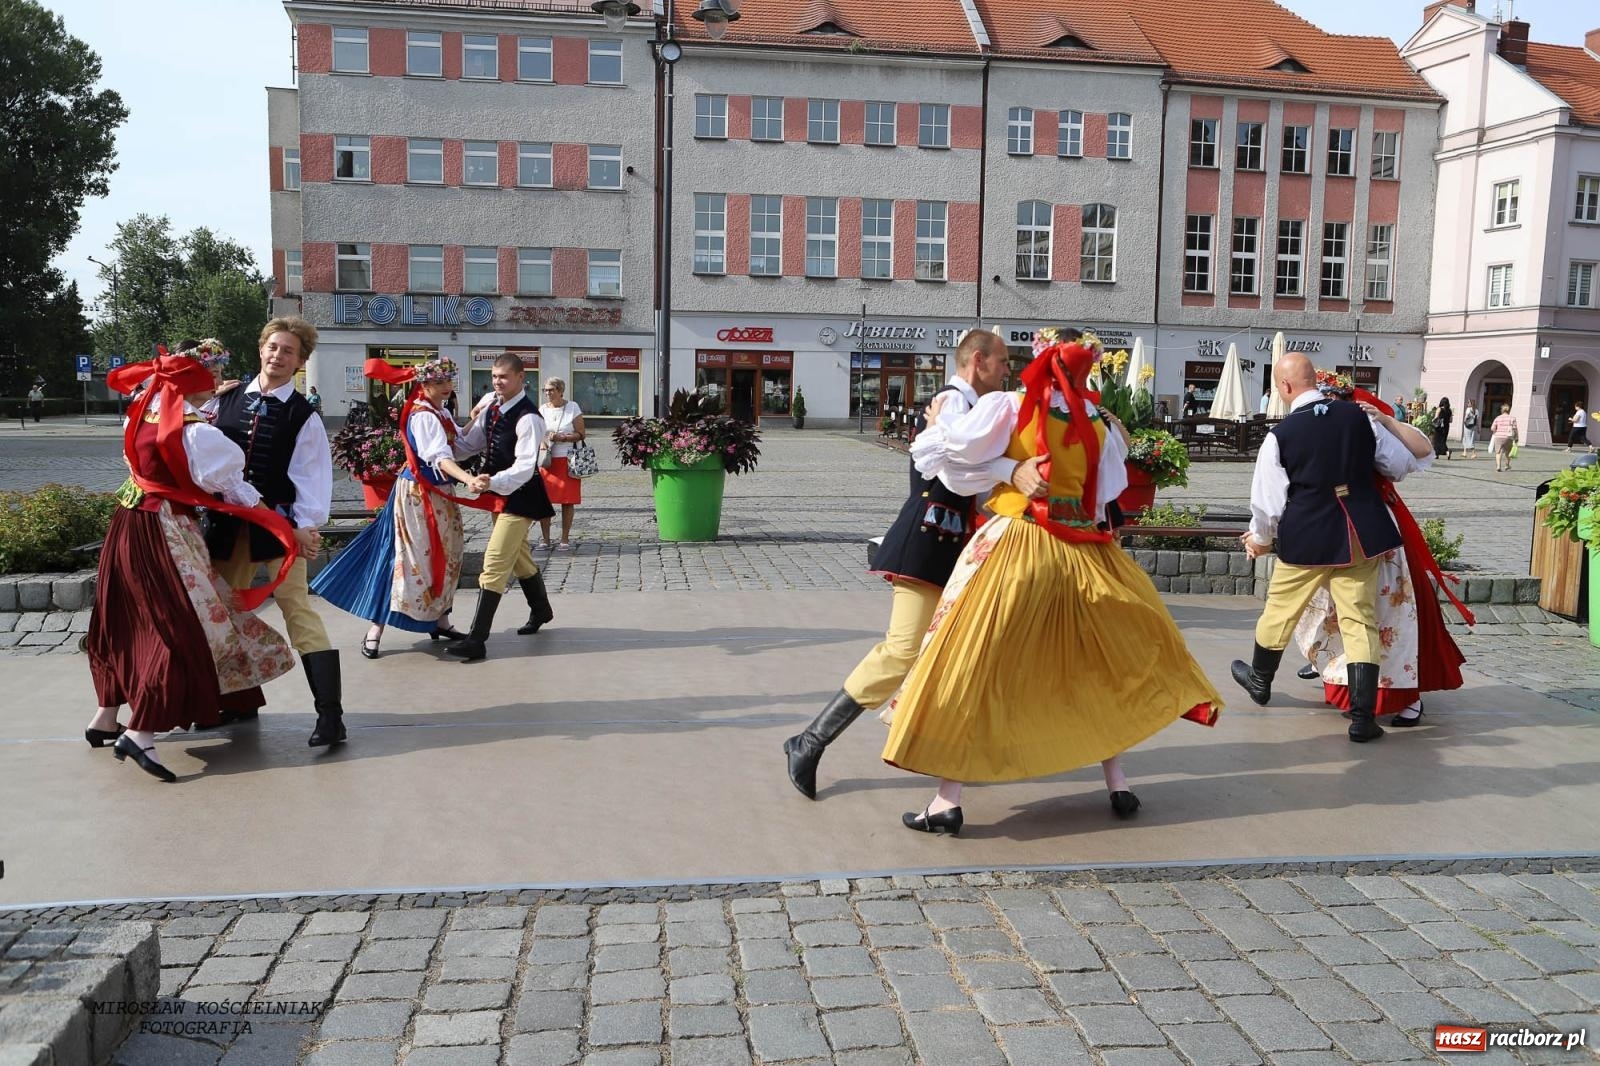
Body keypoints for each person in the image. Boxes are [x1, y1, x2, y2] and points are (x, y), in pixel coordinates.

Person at [879, 332, 1221, 835]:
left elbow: (943, 461)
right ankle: (1118, 782)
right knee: (1094, 665)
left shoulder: (1010, 406)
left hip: (1020, 547)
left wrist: (940, 428)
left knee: (975, 661)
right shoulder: (1099, 422)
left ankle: (947, 799)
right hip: (1087, 556)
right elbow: (1106, 493)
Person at [784, 329, 1042, 800]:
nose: (1009, 370)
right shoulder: (953, 403)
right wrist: (1010, 470)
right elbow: (956, 471)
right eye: (1003, 361)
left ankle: (950, 754)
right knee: (902, 650)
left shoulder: (974, 407)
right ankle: (810, 741)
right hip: (926, 542)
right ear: (978, 360)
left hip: (950, 545)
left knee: (957, 654)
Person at [85, 353, 298, 782]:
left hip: (127, 521)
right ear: (191, 386)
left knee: (124, 620)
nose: (217, 384)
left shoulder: (143, 409)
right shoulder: (195, 431)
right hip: (163, 531)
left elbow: (138, 461)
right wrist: (282, 527)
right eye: (211, 378)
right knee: (178, 628)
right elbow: (233, 486)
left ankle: (106, 717)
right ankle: (140, 733)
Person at [1232, 357, 1411, 744]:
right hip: (1360, 532)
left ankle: (1260, 681)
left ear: (1284, 387)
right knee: (1359, 621)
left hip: (1308, 536)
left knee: (1280, 610)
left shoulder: (1281, 434)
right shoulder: (1359, 417)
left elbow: (1267, 503)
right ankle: (1362, 718)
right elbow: (1398, 464)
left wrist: (1260, 539)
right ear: (1315, 380)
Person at [205, 316, 348, 748]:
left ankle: (330, 716)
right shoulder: (224, 400)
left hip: (280, 529)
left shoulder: (304, 415)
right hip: (229, 526)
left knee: (296, 608)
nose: (278, 356)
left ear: (300, 361)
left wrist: (304, 527)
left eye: (289, 351)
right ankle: (238, 700)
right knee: (220, 610)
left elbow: (311, 476)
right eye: (273, 347)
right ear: (260, 349)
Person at [1292, 386, 1472, 727]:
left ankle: (1403, 694)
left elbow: (1408, 459)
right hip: (1333, 521)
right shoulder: (1314, 424)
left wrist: (1385, 420)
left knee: (1387, 609)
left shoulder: (1366, 423)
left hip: (1367, 523)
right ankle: (1342, 679)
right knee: (1336, 607)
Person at [312, 356, 486, 658]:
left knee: (446, 552)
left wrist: (478, 419)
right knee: (404, 556)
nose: (446, 386)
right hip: (417, 494)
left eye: (448, 380)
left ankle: (440, 619)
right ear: (424, 384)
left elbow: (458, 445)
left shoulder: (440, 411)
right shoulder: (423, 416)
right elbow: (440, 456)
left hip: (437, 492)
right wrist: (468, 478)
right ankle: (375, 629)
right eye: (439, 381)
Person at [446, 354, 556, 661]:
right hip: (500, 494)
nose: (497, 382)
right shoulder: (491, 408)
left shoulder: (529, 417)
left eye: (504, 376)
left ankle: (477, 639)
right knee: (518, 555)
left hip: (521, 498)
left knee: (494, 561)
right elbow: (469, 445)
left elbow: (524, 468)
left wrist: (491, 481)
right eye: (494, 376)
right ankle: (542, 609)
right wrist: (438, 449)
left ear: (521, 377)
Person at [538, 377, 586, 551]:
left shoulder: (572, 407)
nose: (547, 393)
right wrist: (542, 442)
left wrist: (563, 437)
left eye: (551, 390)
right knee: (544, 501)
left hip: (567, 460)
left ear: (560, 391)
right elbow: (537, 432)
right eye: (545, 390)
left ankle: (564, 538)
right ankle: (545, 539)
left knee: (567, 500)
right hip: (547, 461)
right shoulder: (542, 409)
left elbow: (581, 433)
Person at [1488, 403, 1518, 472]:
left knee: (1498, 452)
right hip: (1508, 437)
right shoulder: (1512, 418)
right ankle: (1507, 465)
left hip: (1498, 436)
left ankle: (1498, 466)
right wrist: (1516, 437)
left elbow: (1492, 428)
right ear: (1508, 410)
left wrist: (1497, 430)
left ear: (1502, 410)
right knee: (1508, 452)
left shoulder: (1498, 418)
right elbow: (1515, 429)